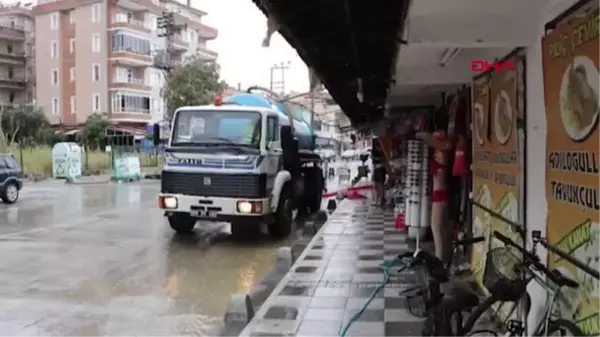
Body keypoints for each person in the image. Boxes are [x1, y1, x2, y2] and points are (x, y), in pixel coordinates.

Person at [416, 120, 453, 263]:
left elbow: (427, 138)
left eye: (438, 137)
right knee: (441, 229)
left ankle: (440, 260)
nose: (435, 138)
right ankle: (444, 258)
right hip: (439, 194)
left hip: (441, 195)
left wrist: (423, 134)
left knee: (437, 228)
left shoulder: (443, 153)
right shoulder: (439, 153)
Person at [371, 140, 387, 207]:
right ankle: (379, 200)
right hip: (378, 170)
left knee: (380, 185)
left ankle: (380, 200)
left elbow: (384, 161)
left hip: (380, 170)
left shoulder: (384, 153)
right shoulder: (377, 152)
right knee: (377, 185)